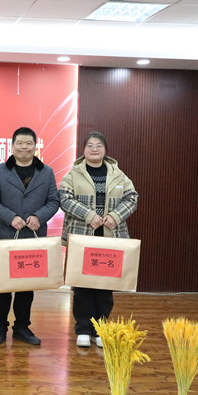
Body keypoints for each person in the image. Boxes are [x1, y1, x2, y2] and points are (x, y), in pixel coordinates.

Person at [59, 131, 138, 348]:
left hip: (110, 236)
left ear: (105, 150)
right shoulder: (73, 174)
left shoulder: (118, 174)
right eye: (90, 146)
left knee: (105, 286)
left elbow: (132, 198)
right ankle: (83, 329)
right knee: (82, 285)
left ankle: (100, 329)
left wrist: (115, 216)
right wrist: (89, 215)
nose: (94, 149)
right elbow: (64, 198)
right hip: (82, 236)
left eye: (99, 146)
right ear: (83, 150)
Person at [0, 127, 59, 346]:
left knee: (26, 286)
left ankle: (22, 327)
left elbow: (54, 201)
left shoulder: (46, 172)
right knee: (3, 286)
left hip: (33, 237)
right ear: (12, 146)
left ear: (35, 146)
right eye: (20, 143)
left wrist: (39, 216)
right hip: (7, 236)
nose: (24, 147)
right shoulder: (0, 171)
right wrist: (11, 217)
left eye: (29, 143)